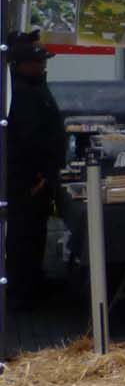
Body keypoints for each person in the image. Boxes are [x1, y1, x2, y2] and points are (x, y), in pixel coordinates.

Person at [6, 31, 65, 307]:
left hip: (36, 174)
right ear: (21, 64)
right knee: (24, 232)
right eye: (38, 61)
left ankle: (33, 280)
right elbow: (27, 139)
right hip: (28, 177)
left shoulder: (33, 86)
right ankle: (23, 290)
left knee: (35, 230)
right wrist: (39, 174)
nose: (44, 66)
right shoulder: (21, 92)